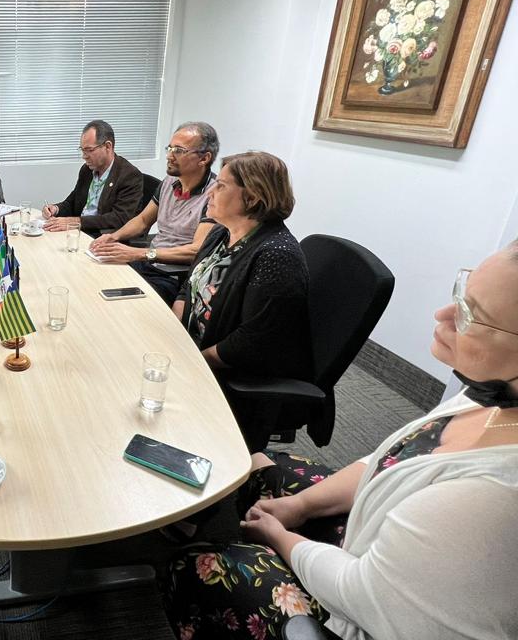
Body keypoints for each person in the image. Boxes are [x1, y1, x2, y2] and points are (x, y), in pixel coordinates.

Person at [160, 244, 518, 639]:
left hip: (362, 616)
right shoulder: (489, 393)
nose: (444, 315)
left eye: (471, 316)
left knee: (195, 565)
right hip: (384, 536)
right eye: (460, 295)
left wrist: (281, 536)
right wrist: (299, 505)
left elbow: (359, 592)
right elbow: (389, 459)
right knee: (257, 467)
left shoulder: (493, 497)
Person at [174, 151, 311, 383]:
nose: (210, 192)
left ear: (253, 197)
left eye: (221, 186)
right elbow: (188, 287)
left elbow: (249, 344)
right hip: (192, 347)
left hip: (228, 373)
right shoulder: (220, 232)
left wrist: (189, 362)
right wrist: (173, 332)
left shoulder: (276, 256)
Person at [90, 121, 219, 304]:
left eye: (179, 151)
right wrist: (113, 237)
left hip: (174, 276)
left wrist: (139, 253)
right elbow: (143, 220)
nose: (170, 156)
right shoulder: (169, 182)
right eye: (170, 148)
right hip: (148, 263)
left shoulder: (214, 196)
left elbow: (195, 251)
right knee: (95, 278)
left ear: (204, 159)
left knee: (119, 303)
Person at [42, 119, 143, 238]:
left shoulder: (129, 175)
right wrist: (56, 208)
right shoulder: (87, 170)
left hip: (103, 237)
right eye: (82, 150)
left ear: (108, 146)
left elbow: (118, 219)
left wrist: (75, 222)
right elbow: (73, 201)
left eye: (89, 150)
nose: (84, 156)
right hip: (78, 231)